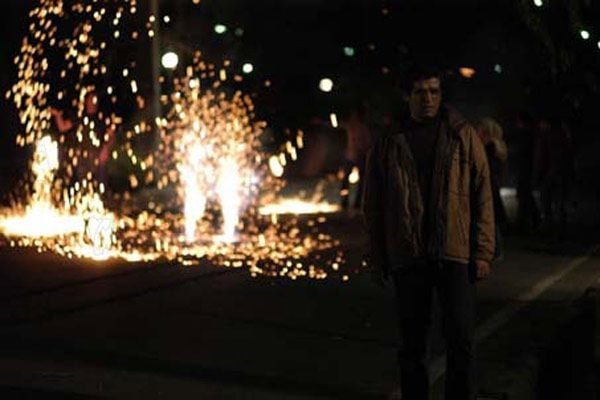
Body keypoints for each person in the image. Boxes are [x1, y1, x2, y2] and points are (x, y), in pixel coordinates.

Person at [362, 64, 495, 400]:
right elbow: (373, 205)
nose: (428, 99)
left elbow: (482, 194)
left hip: (454, 251)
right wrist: (378, 256)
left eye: (434, 91)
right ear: (408, 95)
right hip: (408, 253)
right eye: (421, 92)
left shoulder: (462, 134)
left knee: (461, 340)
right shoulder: (389, 141)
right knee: (412, 345)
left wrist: (482, 252)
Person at [476, 117, 508, 259]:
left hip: (489, 187)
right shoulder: (497, 147)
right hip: (493, 187)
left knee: (489, 219)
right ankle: (495, 249)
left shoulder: (489, 148)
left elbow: (487, 169)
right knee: (492, 220)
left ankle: (494, 250)